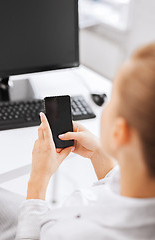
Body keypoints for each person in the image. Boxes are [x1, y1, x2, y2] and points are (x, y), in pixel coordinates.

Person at [15, 43, 155, 240]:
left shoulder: (78, 234)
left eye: (111, 100)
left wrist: (37, 180)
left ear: (119, 131)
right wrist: (101, 157)